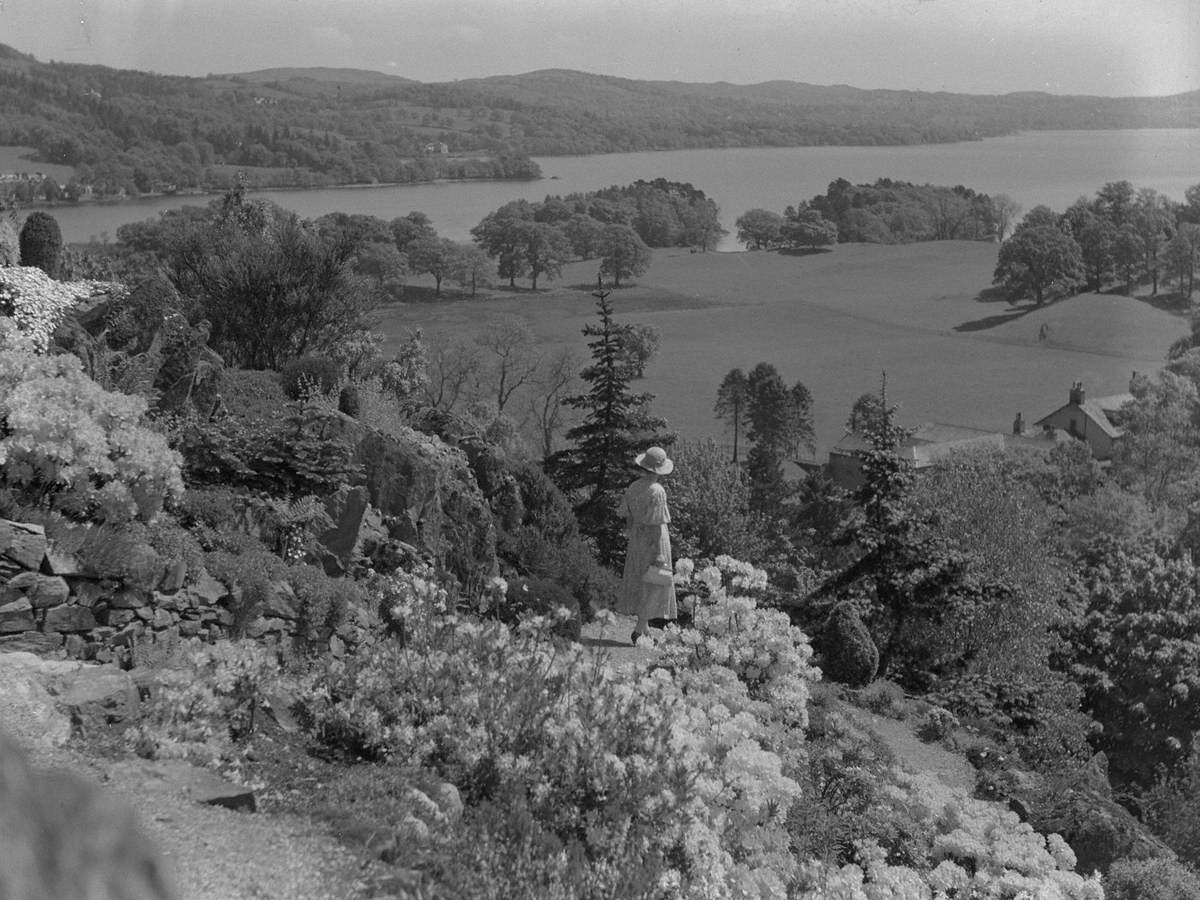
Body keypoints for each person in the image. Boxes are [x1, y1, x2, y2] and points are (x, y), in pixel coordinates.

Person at [618, 446, 678, 643]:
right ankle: (639, 628)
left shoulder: (633, 487)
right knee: (653, 581)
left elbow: (626, 516)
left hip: (637, 538)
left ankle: (643, 627)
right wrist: (660, 552)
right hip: (654, 540)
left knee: (640, 578)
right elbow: (658, 523)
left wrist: (633, 534)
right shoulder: (657, 491)